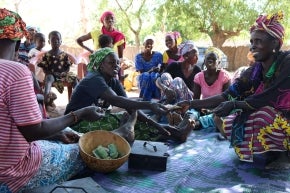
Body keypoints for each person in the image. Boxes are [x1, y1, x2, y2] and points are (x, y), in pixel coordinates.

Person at [0, 8, 106, 193]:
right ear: (17, 44)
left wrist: (54, 134)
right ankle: (121, 136)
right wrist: (78, 114)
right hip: (10, 174)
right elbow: (33, 131)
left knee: (63, 132)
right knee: (83, 151)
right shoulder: (15, 71)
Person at [177, 11, 290, 169]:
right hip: (274, 116)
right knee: (232, 121)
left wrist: (235, 105)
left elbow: (268, 97)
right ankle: (269, 153)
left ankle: (284, 156)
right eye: (252, 41)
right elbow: (227, 95)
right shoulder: (255, 70)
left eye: (258, 41)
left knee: (263, 115)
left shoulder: (287, 63)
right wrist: (190, 103)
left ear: (275, 44)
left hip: (286, 119)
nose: (253, 46)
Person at [65, 47, 192, 143]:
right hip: (76, 123)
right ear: (101, 65)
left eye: (117, 63)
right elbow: (116, 100)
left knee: (130, 118)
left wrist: (154, 124)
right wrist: (150, 105)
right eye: (111, 63)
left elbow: (129, 106)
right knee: (118, 123)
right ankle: (174, 133)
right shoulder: (93, 78)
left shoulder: (112, 80)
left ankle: (173, 132)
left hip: (96, 118)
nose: (116, 66)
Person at [76, 11, 126, 82]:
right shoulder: (96, 33)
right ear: (103, 21)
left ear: (114, 20)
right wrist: (90, 51)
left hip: (112, 65)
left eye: (112, 18)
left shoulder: (119, 36)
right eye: (107, 18)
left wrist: (118, 69)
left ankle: (118, 81)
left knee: (114, 76)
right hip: (98, 65)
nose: (110, 20)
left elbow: (120, 57)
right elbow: (78, 40)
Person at [191, 47, 231, 130]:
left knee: (219, 116)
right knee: (192, 112)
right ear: (204, 61)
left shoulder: (225, 77)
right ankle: (188, 121)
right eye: (208, 59)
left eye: (214, 59)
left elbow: (226, 101)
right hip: (204, 107)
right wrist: (201, 109)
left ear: (219, 62)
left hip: (219, 109)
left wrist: (212, 111)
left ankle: (194, 124)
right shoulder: (199, 77)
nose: (210, 61)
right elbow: (196, 100)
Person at [37, 30, 78, 110]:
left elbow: (67, 67)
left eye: (57, 39)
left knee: (74, 78)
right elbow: (45, 68)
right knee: (48, 79)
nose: (55, 41)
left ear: (61, 41)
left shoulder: (64, 55)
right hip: (51, 75)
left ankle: (77, 97)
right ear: (49, 42)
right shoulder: (47, 54)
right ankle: (47, 99)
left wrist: (64, 73)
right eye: (53, 39)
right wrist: (51, 73)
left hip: (63, 74)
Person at [135, 36, 163, 101]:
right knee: (146, 75)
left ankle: (157, 99)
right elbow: (141, 72)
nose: (149, 45)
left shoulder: (158, 55)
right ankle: (144, 98)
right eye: (147, 43)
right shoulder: (138, 57)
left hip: (155, 76)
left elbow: (160, 67)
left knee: (154, 75)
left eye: (151, 44)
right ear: (143, 44)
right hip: (143, 77)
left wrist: (158, 69)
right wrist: (151, 70)